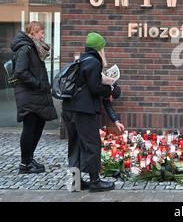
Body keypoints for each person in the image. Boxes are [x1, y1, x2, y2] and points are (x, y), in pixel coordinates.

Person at [61, 32, 115, 192]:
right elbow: (95, 88)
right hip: (84, 111)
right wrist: (109, 89)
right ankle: (94, 181)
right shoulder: (93, 62)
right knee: (92, 144)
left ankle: (75, 182)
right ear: (99, 48)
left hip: (69, 108)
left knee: (75, 144)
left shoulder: (81, 60)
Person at [10, 21, 57, 174]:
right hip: (28, 94)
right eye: (41, 32)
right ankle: (25, 164)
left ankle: (29, 158)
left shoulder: (33, 48)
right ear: (34, 33)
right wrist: (38, 84)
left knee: (38, 125)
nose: (43, 35)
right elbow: (21, 72)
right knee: (30, 127)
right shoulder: (26, 48)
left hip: (35, 94)